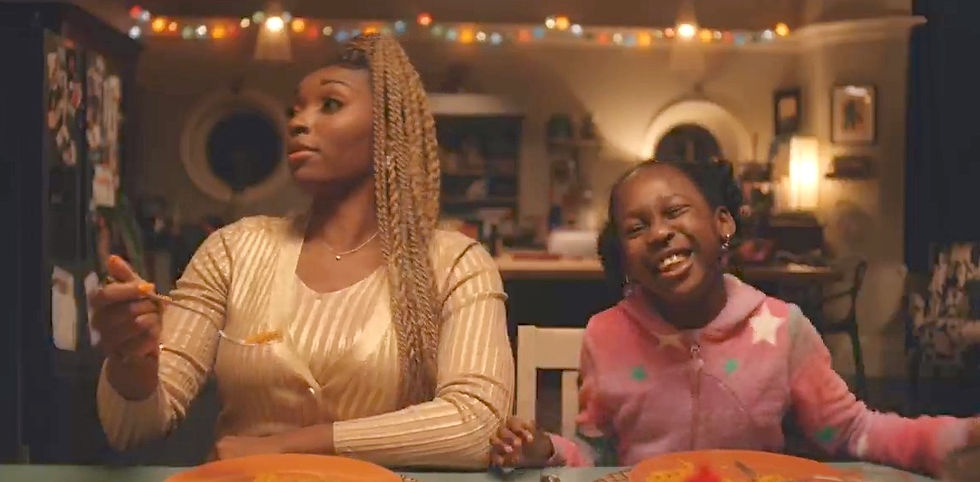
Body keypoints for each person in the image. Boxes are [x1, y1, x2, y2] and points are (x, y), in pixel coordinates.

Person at [92, 34, 513, 469]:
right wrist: (132, 360)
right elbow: (132, 429)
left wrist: (286, 446)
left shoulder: (453, 263)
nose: (296, 123)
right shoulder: (234, 250)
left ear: (388, 128)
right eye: (294, 110)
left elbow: (478, 424)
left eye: (330, 104)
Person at [490, 159, 980, 475]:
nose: (658, 233)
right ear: (623, 258)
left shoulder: (783, 328)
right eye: (636, 228)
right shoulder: (606, 334)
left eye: (675, 212)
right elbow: (595, 453)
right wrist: (546, 449)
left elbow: (852, 431)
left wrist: (953, 440)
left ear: (722, 222)